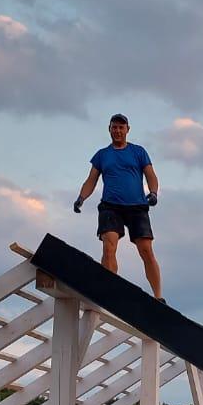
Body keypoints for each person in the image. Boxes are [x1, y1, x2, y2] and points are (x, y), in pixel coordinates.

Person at [75, 113, 163, 300]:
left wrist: (154, 193)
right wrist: (81, 198)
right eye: (114, 127)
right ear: (109, 129)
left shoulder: (138, 152)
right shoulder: (102, 155)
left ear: (127, 130)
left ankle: (158, 297)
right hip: (110, 206)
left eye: (121, 127)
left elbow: (151, 175)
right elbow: (91, 180)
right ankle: (109, 291)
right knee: (109, 246)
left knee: (146, 250)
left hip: (137, 206)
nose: (117, 131)